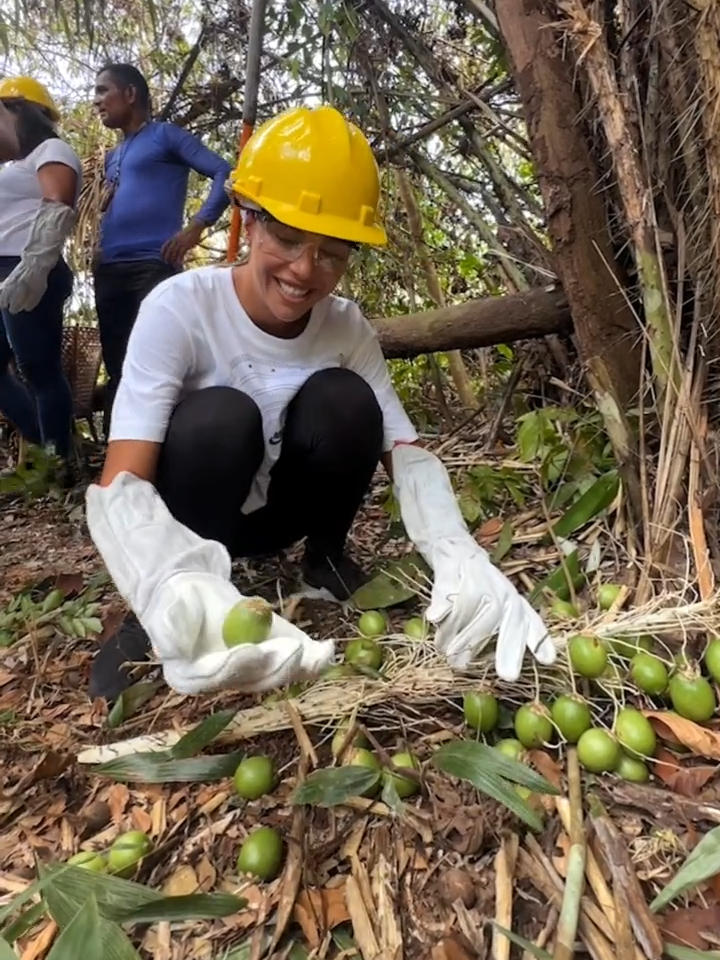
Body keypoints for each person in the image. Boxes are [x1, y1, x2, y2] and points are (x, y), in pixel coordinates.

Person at [85, 104, 557, 703]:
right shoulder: (179, 308)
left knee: (349, 400)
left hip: (282, 515)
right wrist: (155, 582)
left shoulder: (345, 327)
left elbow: (401, 446)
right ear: (249, 221)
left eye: (332, 252)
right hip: (198, 523)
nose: (305, 271)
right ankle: (174, 601)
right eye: (286, 237)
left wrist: (455, 549)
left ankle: (325, 559)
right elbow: (122, 482)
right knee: (220, 417)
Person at [92, 62, 232, 436]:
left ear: (130, 94)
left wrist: (196, 228)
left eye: (103, 91)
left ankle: (173, 446)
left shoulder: (166, 137)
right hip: (109, 270)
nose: (97, 101)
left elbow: (224, 172)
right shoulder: (112, 156)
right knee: (118, 363)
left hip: (154, 266)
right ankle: (120, 454)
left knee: (158, 361)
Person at [0, 76, 81, 473]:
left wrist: (35, 266)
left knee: (38, 368)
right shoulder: (11, 163)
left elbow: (58, 202)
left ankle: (57, 461)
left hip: (30, 264)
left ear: (21, 111)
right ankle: (50, 448)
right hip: (3, 268)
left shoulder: (52, 149)